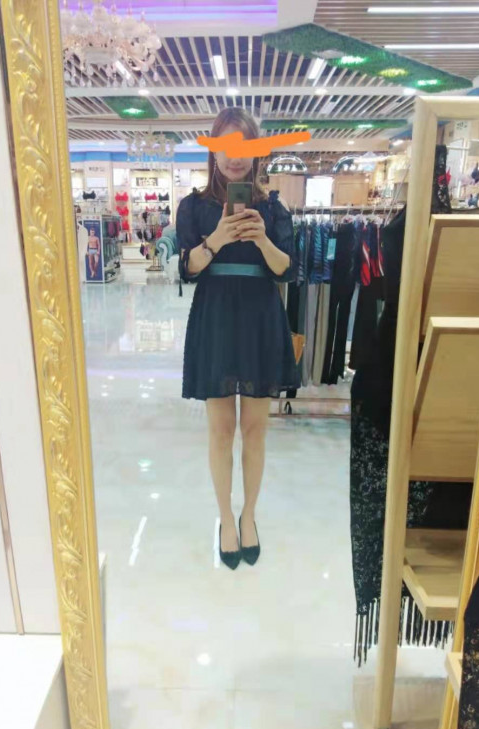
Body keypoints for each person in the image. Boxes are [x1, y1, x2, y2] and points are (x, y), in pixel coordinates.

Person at [176, 108, 300, 570]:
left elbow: (287, 270)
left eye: (244, 147)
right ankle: (226, 519)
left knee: (254, 429)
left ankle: (249, 515)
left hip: (260, 319)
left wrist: (263, 239)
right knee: (221, 429)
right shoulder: (193, 208)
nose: (234, 157)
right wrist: (216, 239)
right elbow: (187, 270)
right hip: (215, 318)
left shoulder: (273, 209)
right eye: (226, 147)